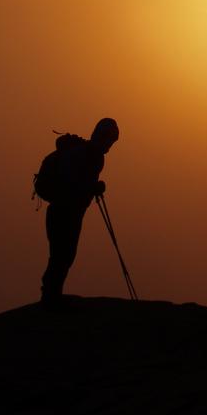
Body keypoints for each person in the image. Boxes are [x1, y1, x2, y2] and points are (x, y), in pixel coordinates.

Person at [41, 117, 119, 306]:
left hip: (67, 210)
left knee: (63, 254)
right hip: (64, 210)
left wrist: (91, 188)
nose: (109, 145)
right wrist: (92, 188)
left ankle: (52, 295)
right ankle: (51, 297)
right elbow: (73, 182)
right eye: (109, 140)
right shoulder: (87, 155)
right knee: (63, 254)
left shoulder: (91, 155)